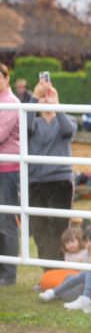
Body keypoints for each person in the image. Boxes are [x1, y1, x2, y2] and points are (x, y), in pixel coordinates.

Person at [27, 79, 77, 262]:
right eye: (43, 97)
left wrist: (57, 105)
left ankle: (59, 268)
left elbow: (67, 131)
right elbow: (24, 126)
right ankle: (47, 270)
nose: (46, 100)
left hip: (60, 181)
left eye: (49, 97)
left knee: (60, 227)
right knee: (40, 228)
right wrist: (33, 98)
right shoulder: (33, 123)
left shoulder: (67, 120)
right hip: (36, 181)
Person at [39, 223, 91, 312]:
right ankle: (54, 292)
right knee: (71, 277)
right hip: (89, 279)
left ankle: (57, 292)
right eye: (86, 241)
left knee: (88, 269)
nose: (89, 244)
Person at [0, 63, 20, 286]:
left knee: (6, 220)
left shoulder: (11, 103)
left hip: (7, 168)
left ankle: (8, 272)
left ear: (6, 78)